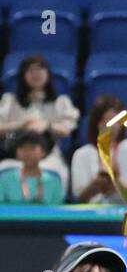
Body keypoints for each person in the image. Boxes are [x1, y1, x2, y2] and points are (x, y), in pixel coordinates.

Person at [0, 53, 80, 184]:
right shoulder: (10, 100)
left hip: (48, 155)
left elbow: (67, 129)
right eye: (31, 70)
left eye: (40, 69)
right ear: (23, 75)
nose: (36, 74)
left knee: (55, 173)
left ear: (48, 74)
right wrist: (22, 124)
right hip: (15, 154)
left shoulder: (61, 102)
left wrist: (47, 125)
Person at [69, 95, 127, 205]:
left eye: (116, 122)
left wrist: (122, 187)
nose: (111, 126)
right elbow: (79, 197)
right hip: (92, 213)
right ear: (96, 124)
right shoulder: (81, 154)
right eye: (106, 121)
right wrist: (93, 187)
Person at [0, 131, 66, 205]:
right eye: (23, 148)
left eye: (32, 147)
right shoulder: (5, 178)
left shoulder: (53, 180)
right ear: (16, 152)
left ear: (43, 152)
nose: (27, 152)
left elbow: (58, 209)